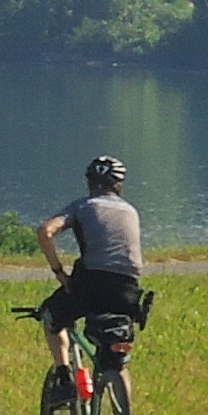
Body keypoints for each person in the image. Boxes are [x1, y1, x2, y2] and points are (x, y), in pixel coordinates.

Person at [32, 155, 144, 381]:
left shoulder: (82, 206)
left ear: (90, 183)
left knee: (52, 315)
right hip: (127, 289)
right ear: (118, 185)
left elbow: (45, 232)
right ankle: (123, 414)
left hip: (90, 285)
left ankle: (63, 374)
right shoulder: (131, 211)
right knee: (117, 361)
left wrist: (59, 272)